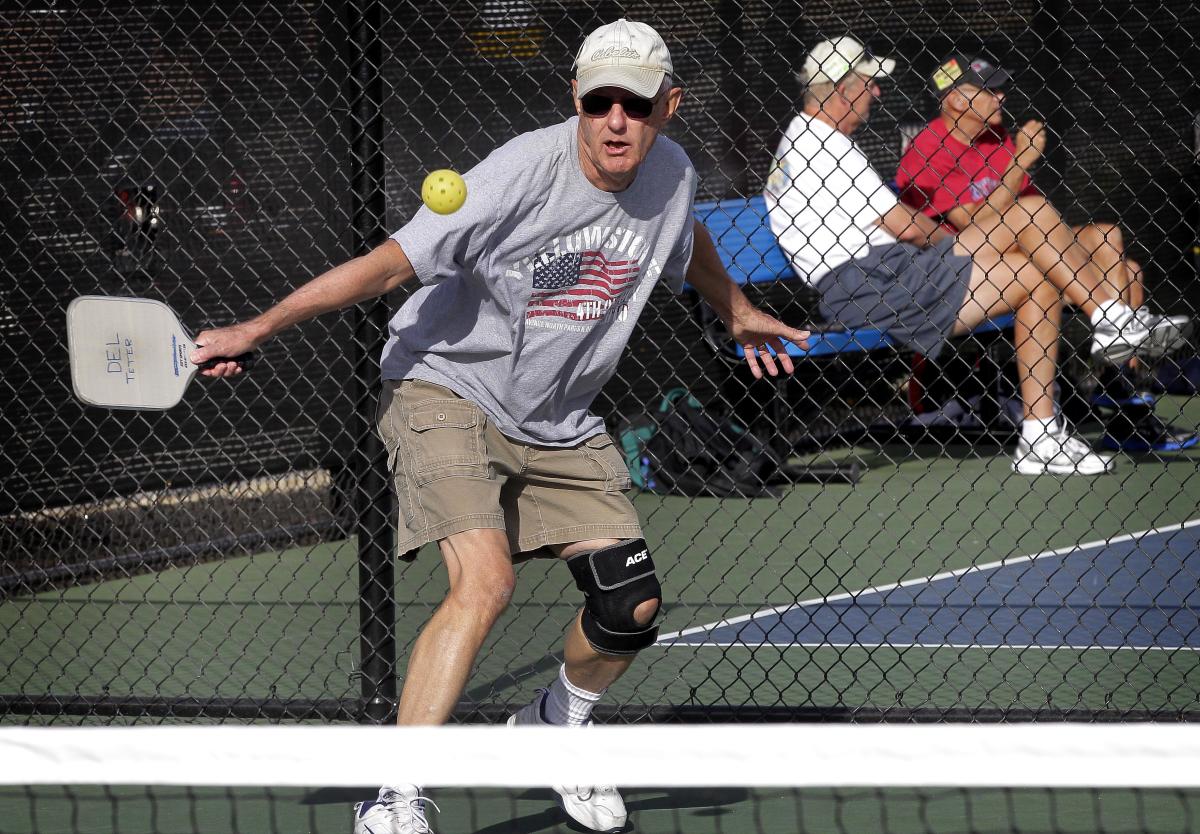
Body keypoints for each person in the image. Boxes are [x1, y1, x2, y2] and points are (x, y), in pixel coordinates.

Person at [192, 18, 810, 834]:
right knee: (484, 583)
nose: (615, 120)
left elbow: (685, 230)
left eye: (635, 102)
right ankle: (396, 796)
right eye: (600, 102)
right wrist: (255, 329)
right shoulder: (519, 172)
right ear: (578, 101)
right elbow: (385, 264)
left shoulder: (672, 172)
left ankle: (556, 725)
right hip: (444, 387)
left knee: (632, 606)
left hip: (556, 416)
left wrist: (734, 309)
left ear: (669, 106)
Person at [764, 36, 1191, 476]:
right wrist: (942, 234)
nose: (877, 91)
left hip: (891, 271)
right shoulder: (825, 147)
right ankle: (1112, 318)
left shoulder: (807, 139)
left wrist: (934, 236)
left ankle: (1042, 432)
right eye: (869, 82)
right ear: (842, 89)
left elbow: (893, 225)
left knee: (1037, 269)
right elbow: (910, 227)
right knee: (1030, 214)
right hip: (874, 282)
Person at [895, 54, 1196, 452]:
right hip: (972, 269)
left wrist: (1015, 163)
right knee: (1122, 273)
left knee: (1112, 245)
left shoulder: (995, 138)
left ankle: (1117, 375)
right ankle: (1125, 402)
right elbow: (972, 223)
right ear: (956, 99)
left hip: (1023, 248)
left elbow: (1034, 222)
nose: (1001, 96)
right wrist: (1020, 161)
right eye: (990, 90)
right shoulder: (927, 149)